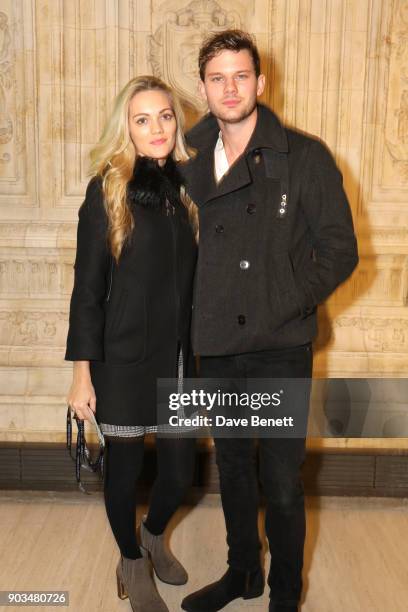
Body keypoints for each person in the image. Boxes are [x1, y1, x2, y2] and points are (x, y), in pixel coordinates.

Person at [180, 30, 359, 612]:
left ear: (261, 82)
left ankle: (285, 591)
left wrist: (286, 298)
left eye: (240, 76)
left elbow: (339, 250)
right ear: (203, 88)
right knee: (232, 468)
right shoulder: (189, 159)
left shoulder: (303, 155)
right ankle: (242, 575)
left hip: (280, 343)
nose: (229, 88)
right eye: (217, 78)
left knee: (281, 481)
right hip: (219, 344)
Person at [65, 75, 198, 612]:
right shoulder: (107, 191)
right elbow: (87, 290)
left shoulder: (189, 191)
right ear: (127, 129)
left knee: (180, 472)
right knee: (123, 472)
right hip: (122, 359)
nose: (157, 128)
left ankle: (151, 534)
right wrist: (81, 374)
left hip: (181, 358)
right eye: (142, 119)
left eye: (165, 116)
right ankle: (130, 558)